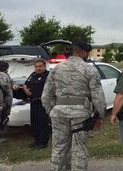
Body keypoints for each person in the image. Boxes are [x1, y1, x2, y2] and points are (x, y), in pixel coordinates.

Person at [42, 41, 106, 171]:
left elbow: (46, 96)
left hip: (58, 113)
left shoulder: (56, 69)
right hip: (80, 115)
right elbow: (98, 96)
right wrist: (100, 115)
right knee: (79, 149)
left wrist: (51, 111)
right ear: (83, 52)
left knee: (59, 148)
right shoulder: (89, 69)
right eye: (87, 53)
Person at [23, 59, 51, 149]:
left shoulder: (48, 75)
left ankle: (43, 143)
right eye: (36, 66)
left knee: (43, 123)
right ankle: (37, 140)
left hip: (43, 103)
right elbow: (25, 84)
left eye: (40, 66)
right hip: (34, 102)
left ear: (44, 66)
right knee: (34, 123)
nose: (38, 68)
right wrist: (26, 90)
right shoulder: (33, 75)